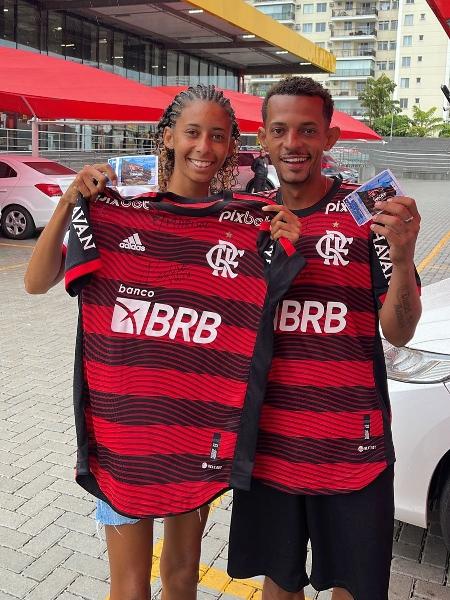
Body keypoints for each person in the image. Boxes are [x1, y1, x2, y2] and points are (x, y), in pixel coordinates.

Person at [24, 84, 300, 600]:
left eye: (218, 136)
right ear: (168, 136)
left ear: (230, 146)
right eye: (193, 132)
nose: (204, 146)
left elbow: (272, 299)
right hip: (121, 434)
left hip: (192, 430)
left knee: (180, 576)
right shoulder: (118, 208)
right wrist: (68, 202)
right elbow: (35, 283)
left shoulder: (245, 225)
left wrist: (284, 241)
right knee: (129, 586)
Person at [227, 76, 422, 600]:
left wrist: (402, 259)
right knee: (278, 581)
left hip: (354, 448)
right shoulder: (247, 221)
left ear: (329, 139)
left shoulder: (369, 214)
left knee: (355, 588)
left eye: (308, 130)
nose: (294, 144)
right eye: (281, 130)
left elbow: (399, 330)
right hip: (269, 445)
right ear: (263, 139)